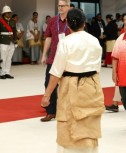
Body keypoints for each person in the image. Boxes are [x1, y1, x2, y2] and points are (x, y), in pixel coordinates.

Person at [41, 8, 104, 153]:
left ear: (68, 25)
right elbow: (97, 67)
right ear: (84, 22)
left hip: (71, 85)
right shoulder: (94, 41)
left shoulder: (66, 42)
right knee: (90, 120)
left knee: (69, 122)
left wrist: (47, 95)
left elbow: (56, 72)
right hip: (92, 84)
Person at [40, 0, 71, 122]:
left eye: (63, 6)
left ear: (69, 6)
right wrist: (44, 55)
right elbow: (48, 38)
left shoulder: (73, 20)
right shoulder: (53, 20)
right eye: (59, 6)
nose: (61, 8)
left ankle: (67, 111)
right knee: (48, 84)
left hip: (69, 59)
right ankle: (51, 111)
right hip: (53, 58)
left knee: (68, 85)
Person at [0, 5, 17, 79]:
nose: (8, 14)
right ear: (3, 13)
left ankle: (7, 72)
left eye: (9, 12)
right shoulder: (0, 21)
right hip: (3, 41)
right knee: (3, 57)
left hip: (11, 41)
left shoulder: (13, 21)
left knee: (9, 58)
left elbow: (15, 31)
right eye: (7, 13)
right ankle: (2, 73)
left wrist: (15, 40)